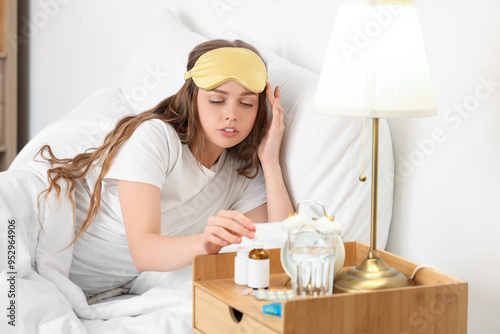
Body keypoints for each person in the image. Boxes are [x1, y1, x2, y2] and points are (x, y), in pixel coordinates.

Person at [36, 39, 294, 296]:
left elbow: (282, 242)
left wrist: (270, 161)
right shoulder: (156, 138)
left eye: (246, 103)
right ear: (193, 98)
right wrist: (203, 242)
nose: (231, 114)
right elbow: (144, 252)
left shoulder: (241, 171)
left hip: (97, 288)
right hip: (45, 246)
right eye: (217, 100)